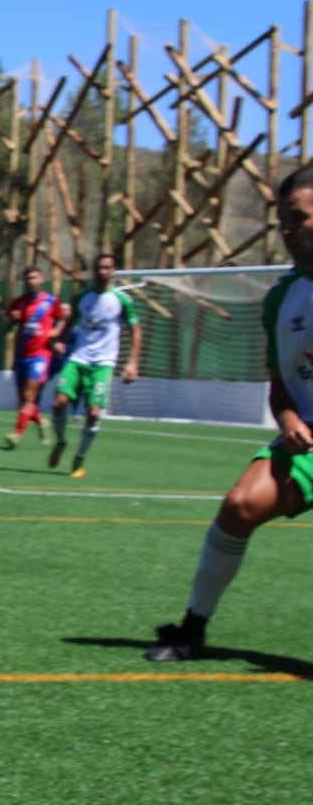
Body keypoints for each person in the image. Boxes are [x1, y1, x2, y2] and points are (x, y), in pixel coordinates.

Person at [146, 166, 313, 662]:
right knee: (239, 507)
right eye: (282, 221)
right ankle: (193, 629)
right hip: (308, 442)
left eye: (298, 219)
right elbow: (281, 387)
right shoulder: (282, 298)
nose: (286, 231)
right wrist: (286, 421)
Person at [47, 253, 141, 478]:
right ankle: (60, 441)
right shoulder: (83, 297)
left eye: (107, 268)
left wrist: (132, 362)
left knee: (93, 412)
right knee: (59, 402)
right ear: (94, 270)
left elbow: (135, 330)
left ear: (113, 271)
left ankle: (79, 458)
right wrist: (60, 340)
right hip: (77, 358)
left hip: (103, 364)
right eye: (99, 268)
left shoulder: (121, 300)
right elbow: (70, 322)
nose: (102, 272)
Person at [4, 266, 68, 448]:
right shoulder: (18, 303)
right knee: (23, 401)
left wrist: (55, 332)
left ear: (42, 280)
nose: (31, 281)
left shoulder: (51, 301)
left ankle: (16, 434)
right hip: (22, 354)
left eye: (34, 278)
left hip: (41, 355)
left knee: (29, 395)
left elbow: (62, 318)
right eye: (28, 279)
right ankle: (41, 423)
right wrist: (11, 320)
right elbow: (8, 328)